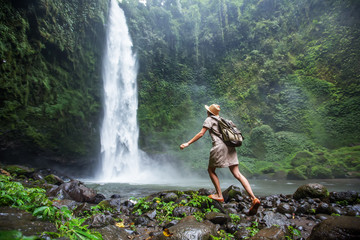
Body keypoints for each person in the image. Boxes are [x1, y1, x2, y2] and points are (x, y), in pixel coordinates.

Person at [180, 104, 260, 215]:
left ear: (209, 112)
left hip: (219, 147)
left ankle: (219, 195)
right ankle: (254, 198)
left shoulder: (209, 119)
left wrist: (187, 143)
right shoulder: (223, 120)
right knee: (237, 174)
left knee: (211, 170)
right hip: (230, 146)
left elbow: (201, 133)